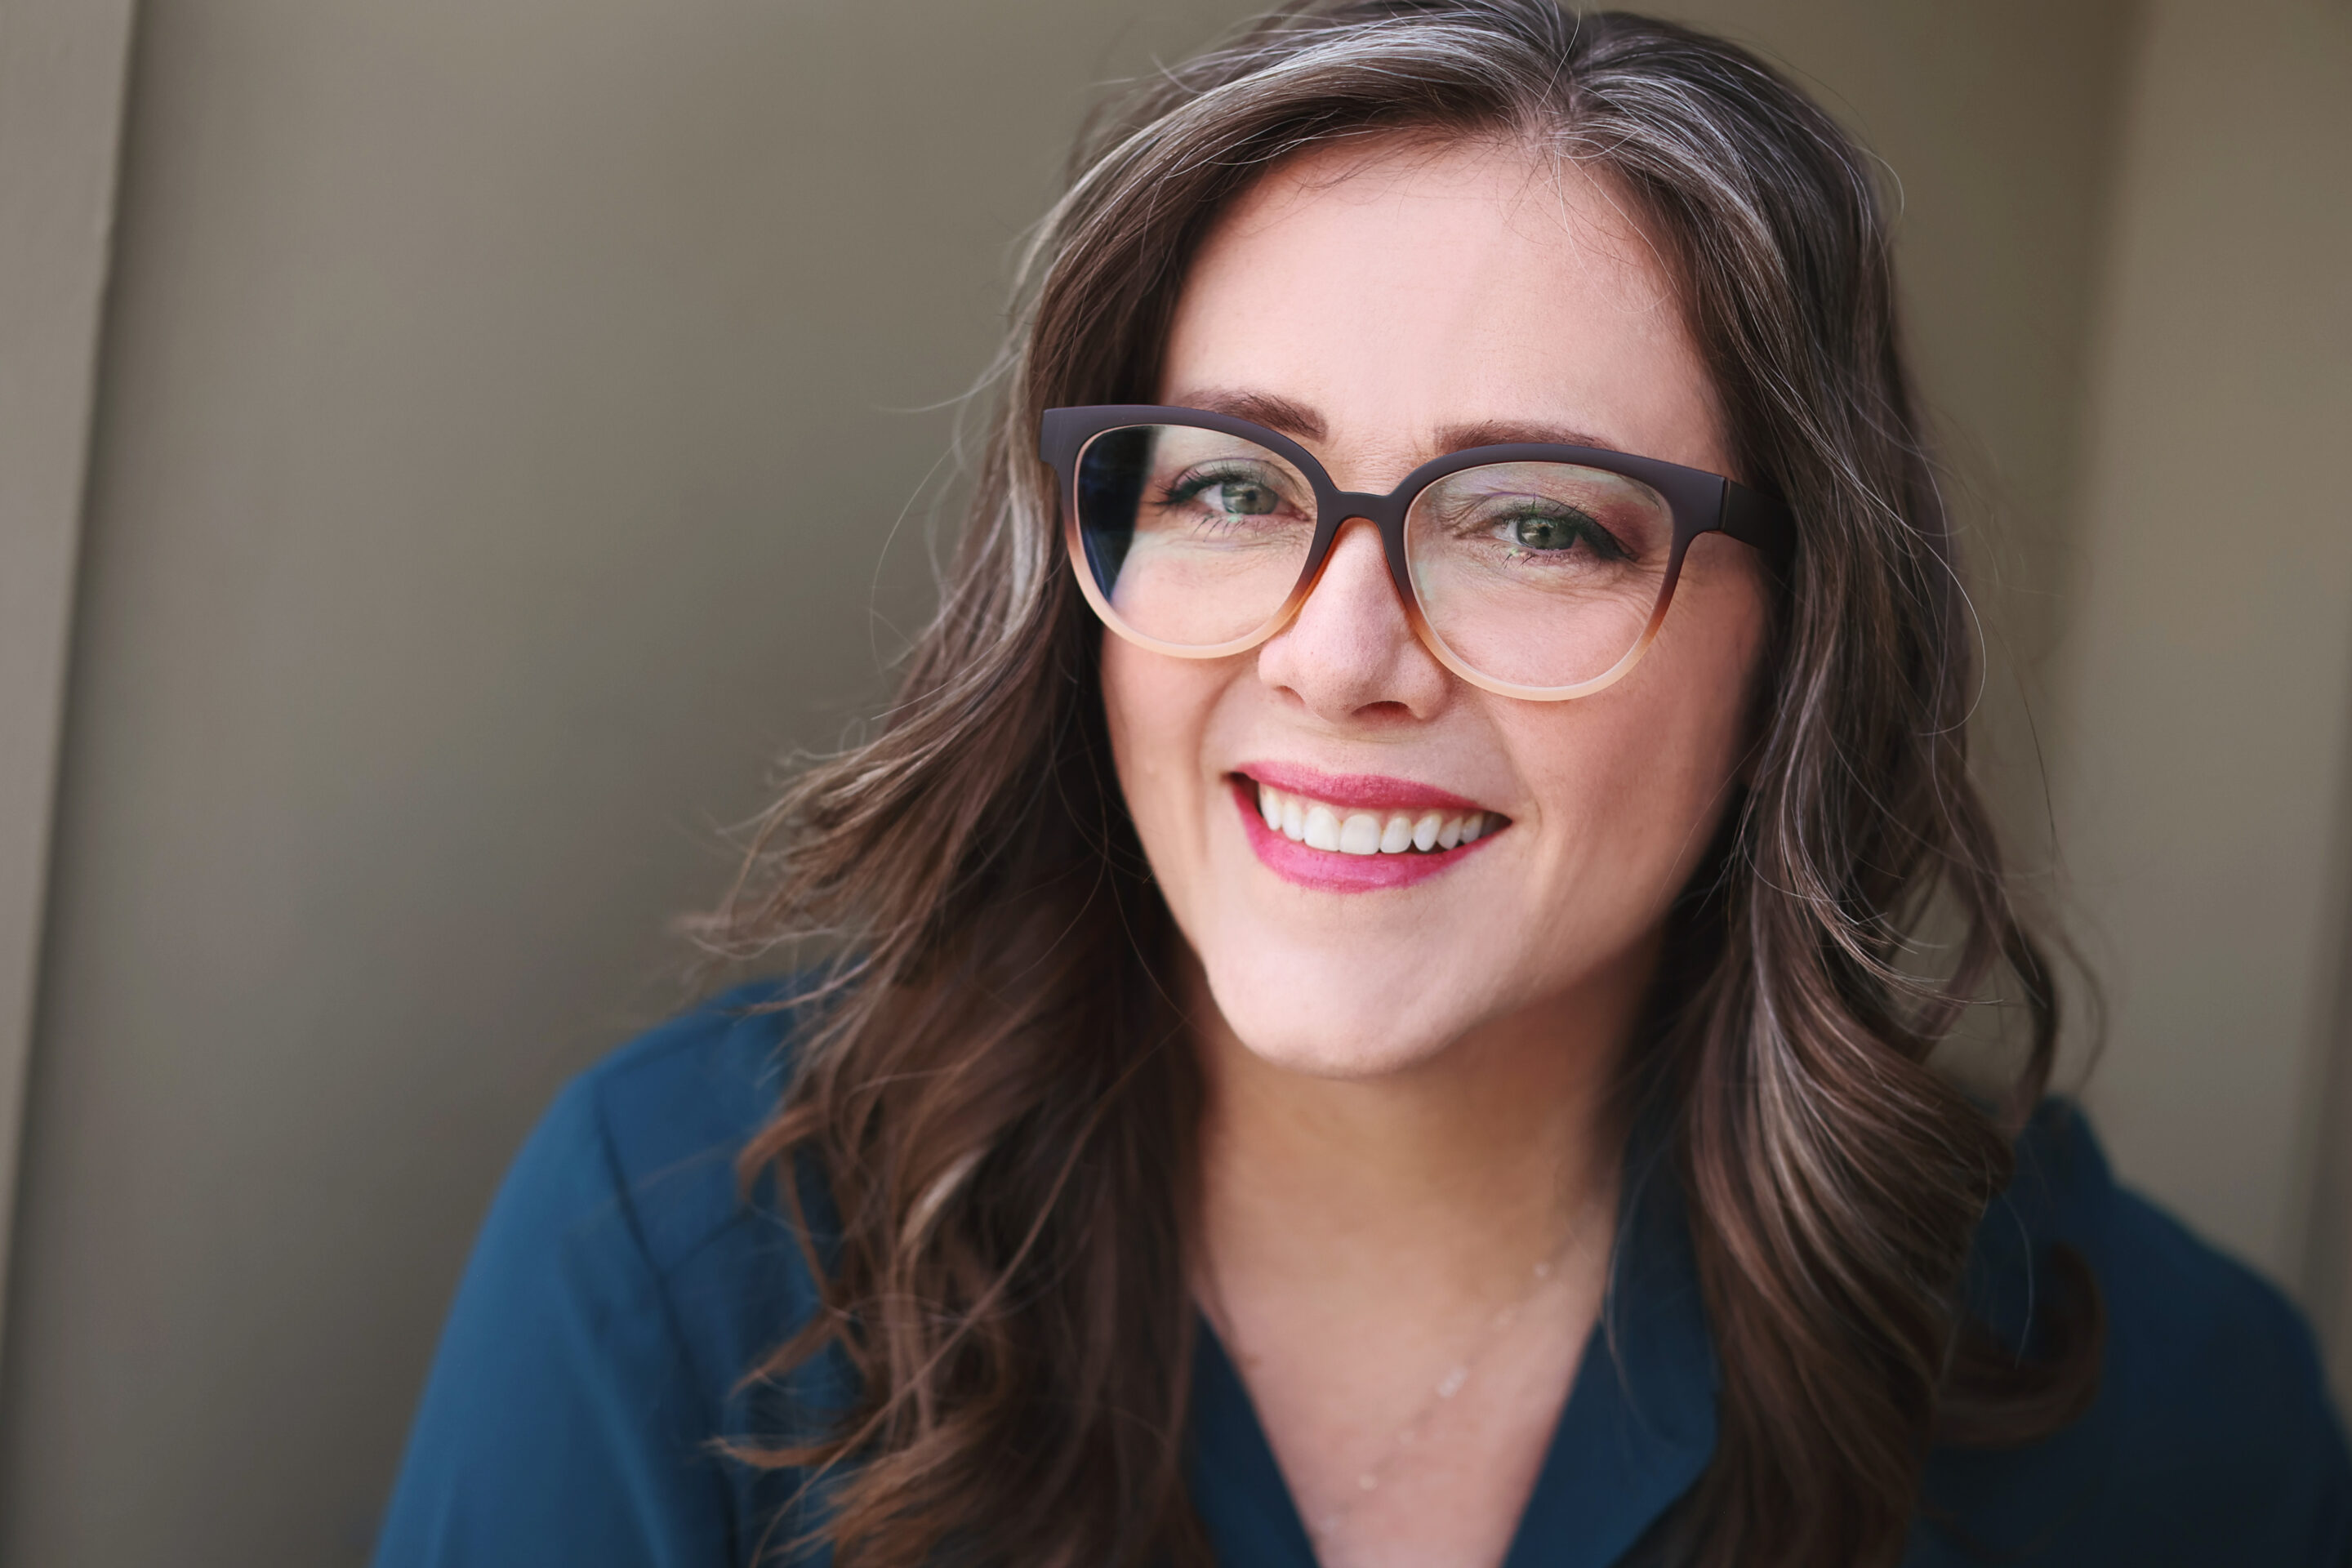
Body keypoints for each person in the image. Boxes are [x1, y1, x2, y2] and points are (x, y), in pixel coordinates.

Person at [372, 4, 2352, 1565]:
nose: (1331, 656)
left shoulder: (2144, 1405)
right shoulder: (686, 1252)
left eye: (1536, 526)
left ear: (1798, 656)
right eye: (1232, 486)